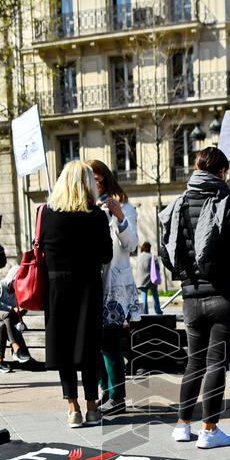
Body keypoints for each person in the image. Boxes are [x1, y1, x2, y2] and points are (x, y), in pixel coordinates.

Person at [159, 147, 230, 448]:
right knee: (216, 364)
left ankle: (183, 425)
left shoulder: (179, 204)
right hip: (224, 295)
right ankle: (210, 430)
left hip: (190, 297)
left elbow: (167, 252)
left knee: (194, 363)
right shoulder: (227, 202)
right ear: (222, 172)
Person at [39, 161, 114, 427]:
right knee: (89, 345)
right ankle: (93, 406)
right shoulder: (95, 215)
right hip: (87, 286)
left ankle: (73, 408)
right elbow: (106, 254)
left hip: (57, 287)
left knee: (64, 346)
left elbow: (43, 249)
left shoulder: (47, 213)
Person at [89, 159, 140, 414]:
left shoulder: (122, 204)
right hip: (91, 283)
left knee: (110, 341)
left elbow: (132, 244)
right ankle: (105, 391)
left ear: (105, 179)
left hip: (114, 283)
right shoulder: (83, 205)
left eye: (97, 180)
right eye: (90, 179)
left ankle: (117, 395)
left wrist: (119, 216)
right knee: (96, 343)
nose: (93, 184)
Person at [136, 241, 163, 315]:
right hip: (151, 279)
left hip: (141, 279)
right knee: (155, 294)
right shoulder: (152, 257)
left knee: (143, 295)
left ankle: (145, 312)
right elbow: (157, 268)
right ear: (149, 248)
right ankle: (158, 310)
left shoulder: (139, 256)